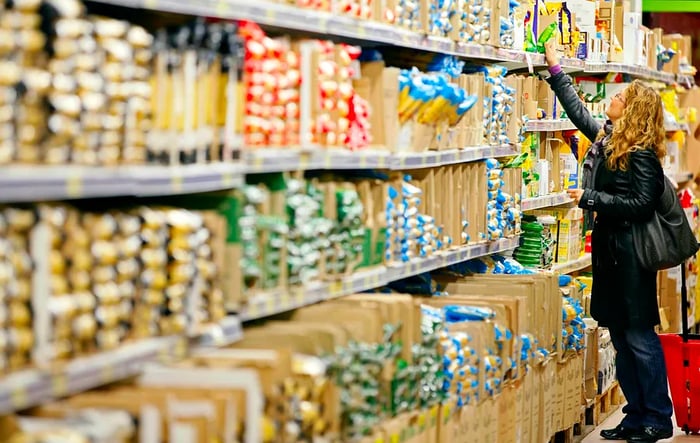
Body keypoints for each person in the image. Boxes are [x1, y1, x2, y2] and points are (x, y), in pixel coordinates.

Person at [544, 41, 674, 443]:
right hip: (612, 254)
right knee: (620, 336)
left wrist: (591, 198)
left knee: (638, 336)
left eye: (622, 97)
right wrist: (555, 70)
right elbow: (579, 112)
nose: (614, 98)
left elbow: (641, 204)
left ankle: (657, 416)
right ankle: (635, 415)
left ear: (633, 112)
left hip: (631, 257)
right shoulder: (610, 141)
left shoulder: (642, 155)